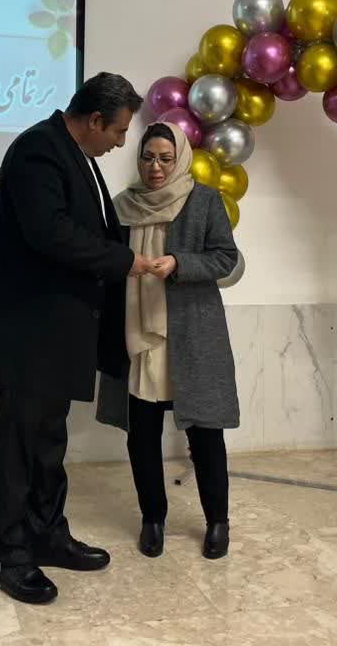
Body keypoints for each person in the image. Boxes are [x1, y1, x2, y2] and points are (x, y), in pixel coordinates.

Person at [0, 72, 156, 605]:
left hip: (55, 333)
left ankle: (47, 534)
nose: (121, 142)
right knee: (18, 444)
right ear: (93, 120)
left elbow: (86, 230)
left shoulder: (76, 154)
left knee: (48, 440)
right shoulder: (38, 151)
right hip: (26, 331)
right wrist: (125, 261)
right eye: (118, 131)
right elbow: (50, 234)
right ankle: (9, 553)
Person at [97, 121, 240, 560]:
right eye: (147, 158)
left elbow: (225, 257)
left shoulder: (204, 200)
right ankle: (152, 518)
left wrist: (179, 262)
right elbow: (103, 260)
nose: (155, 167)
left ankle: (217, 521)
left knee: (205, 433)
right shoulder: (122, 206)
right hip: (137, 334)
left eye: (165, 158)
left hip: (191, 334)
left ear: (180, 160)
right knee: (142, 435)